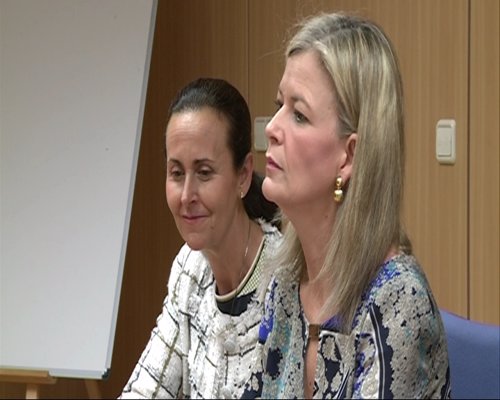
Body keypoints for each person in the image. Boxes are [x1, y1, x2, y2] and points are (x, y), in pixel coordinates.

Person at [242, 12, 451, 399]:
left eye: (299, 114)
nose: (271, 127)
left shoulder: (398, 302)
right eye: (279, 105)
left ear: (349, 156)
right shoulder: (284, 285)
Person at [120, 78, 281, 399]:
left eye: (204, 172)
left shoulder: (285, 278)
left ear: (243, 175)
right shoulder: (190, 267)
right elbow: (146, 387)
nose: (186, 196)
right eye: (176, 173)